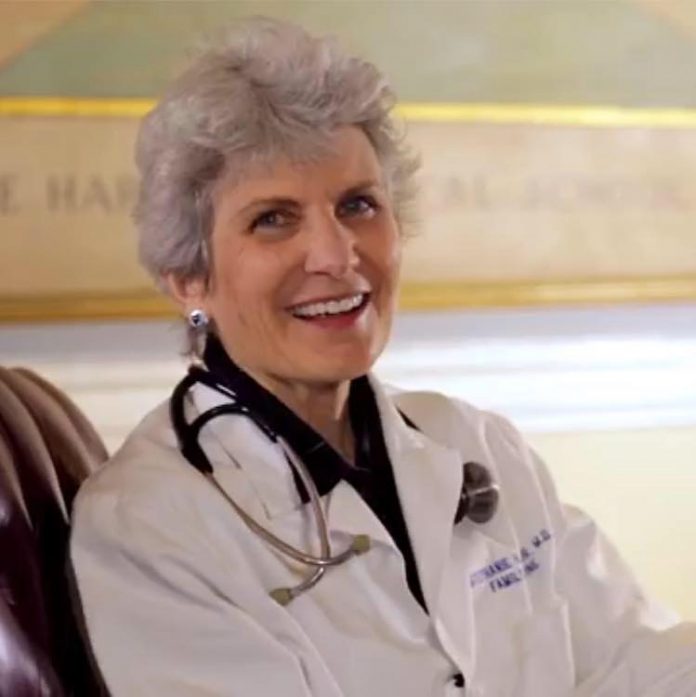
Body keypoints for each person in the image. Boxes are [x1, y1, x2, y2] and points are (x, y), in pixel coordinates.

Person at [70, 18, 696, 697]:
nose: (337, 255)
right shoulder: (150, 527)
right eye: (273, 218)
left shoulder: (477, 444)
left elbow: (636, 661)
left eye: (358, 204)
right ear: (190, 278)